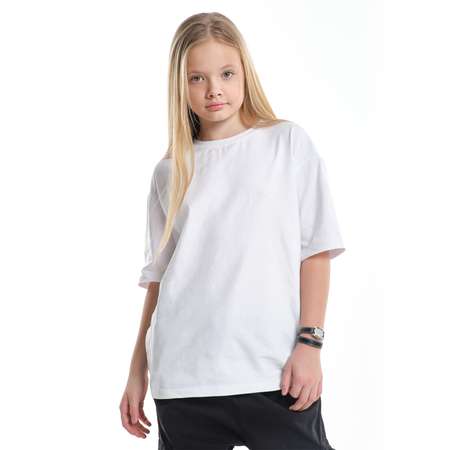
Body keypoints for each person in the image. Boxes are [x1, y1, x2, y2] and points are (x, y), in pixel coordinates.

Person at [119, 11, 346, 450]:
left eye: (226, 73)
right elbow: (159, 280)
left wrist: (311, 344)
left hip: (273, 371)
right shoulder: (169, 171)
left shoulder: (286, 143)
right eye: (197, 78)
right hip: (184, 380)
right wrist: (137, 371)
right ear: (180, 86)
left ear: (245, 72)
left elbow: (315, 251)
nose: (214, 90)